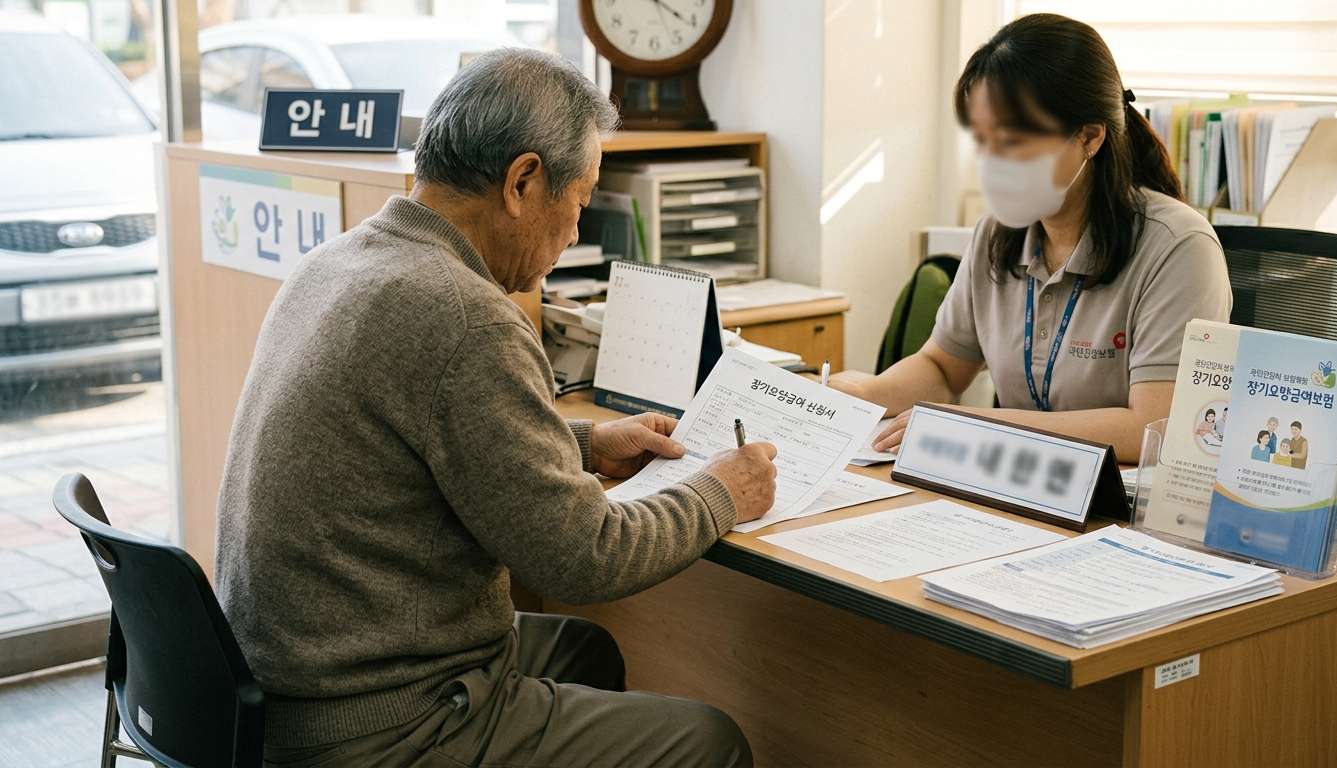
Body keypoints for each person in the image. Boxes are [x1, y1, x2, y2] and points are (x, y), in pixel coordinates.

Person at [214, 49, 777, 767]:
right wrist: (721, 491)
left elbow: (423, 443)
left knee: (585, 651)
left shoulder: (338, 262)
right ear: (522, 181)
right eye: (578, 206)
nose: (574, 235)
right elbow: (587, 558)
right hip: (376, 722)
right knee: (710, 742)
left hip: (279, 686)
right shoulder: (464, 314)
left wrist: (583, 443)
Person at [830, 14, 1231, 462]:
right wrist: (860, 392)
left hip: (1117, 510)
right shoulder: (995, 235)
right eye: (982, 140)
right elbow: (942, 368)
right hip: (1017, 489)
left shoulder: (1179, 247)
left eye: (1014, 140)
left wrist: (976, 426)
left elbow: (1151, 429)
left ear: (1089, 137)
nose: (992, 161)